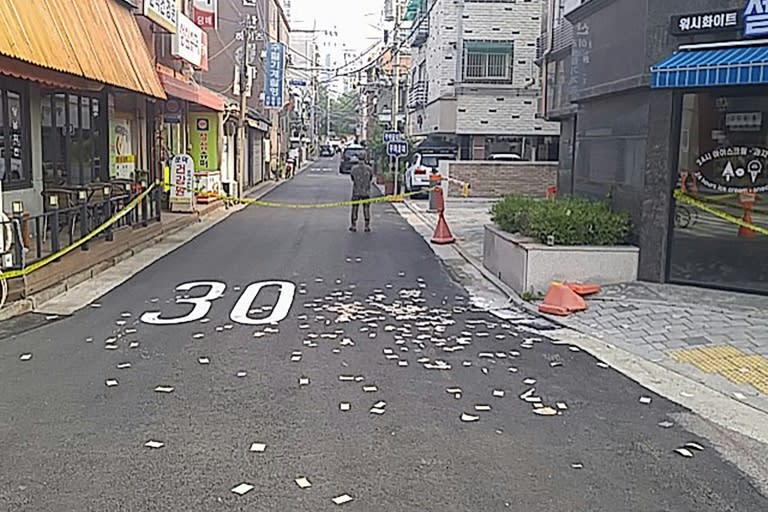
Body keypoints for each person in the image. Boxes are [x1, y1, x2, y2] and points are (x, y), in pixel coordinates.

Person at [348, 154, 373, 232]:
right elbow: (371, 178)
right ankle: (367, 226)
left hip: (356, 191)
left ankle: (353, 225)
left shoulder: (354, 169)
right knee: (366, 209)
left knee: (355, 208)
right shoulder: (369, 169)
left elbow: (352, 178)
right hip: (366, 191)